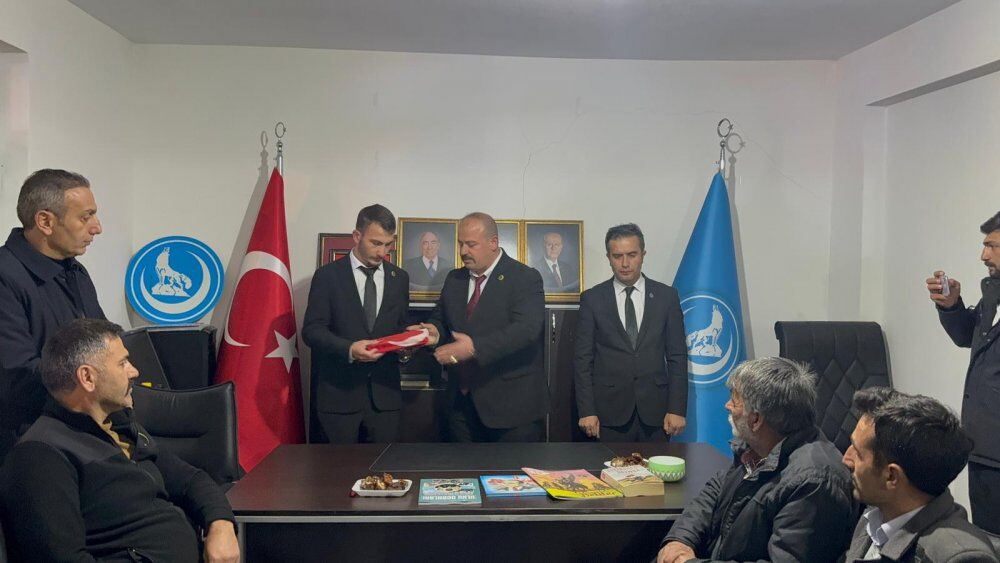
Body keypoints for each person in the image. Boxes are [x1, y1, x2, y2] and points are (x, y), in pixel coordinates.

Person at [0, 319, 239, 563]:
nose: (134, 371)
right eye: (123, 363)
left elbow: (191, 480)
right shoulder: (40, 456)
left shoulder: (121, 427)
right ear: (87, 377)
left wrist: (221, 525)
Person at [657, 357, 856, 563]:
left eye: (735, 401)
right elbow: (716, 490)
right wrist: (680, 540)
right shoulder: (758, 446)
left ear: (756, 419)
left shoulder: (814, 482)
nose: (727, 406)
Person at [0, 169, 106, 462]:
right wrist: (95, 387)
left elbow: (102, 346)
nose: (97, 228)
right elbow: (16, 374)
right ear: (45, 222)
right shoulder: (5, 276)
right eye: (85, 217)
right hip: (29, 448)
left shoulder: (75, 272)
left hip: (82, 432)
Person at [414, 212, 548, 442]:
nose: (463, 251)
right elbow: (441, 320)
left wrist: (474, 348)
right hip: (461, 406)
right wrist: (433, 333)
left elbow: (527, 330)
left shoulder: (524, 277)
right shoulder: (454, 279)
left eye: (471, 244)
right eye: (460, 243)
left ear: (493, 242)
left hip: (512, 409)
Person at [842, 388, 998, 562]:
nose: (846, 459)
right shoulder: (874, 517)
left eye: (857, 452)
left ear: (891, 476)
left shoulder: (958, 557)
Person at [303, 204, 411, 443]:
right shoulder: (328, 276)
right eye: (376, 243)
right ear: (356, 236)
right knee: (338, 467)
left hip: (385, 399)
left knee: (384, 467)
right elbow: (312, 331)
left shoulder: (399, 278)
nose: (382, 252)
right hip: (339, 398)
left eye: (388, 244)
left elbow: (400, 328)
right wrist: (350, 349)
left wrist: (408, 343)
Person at [575, 223, 687, 442]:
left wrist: (677, 408)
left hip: (656, 412)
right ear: (608, 257)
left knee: (655, 467)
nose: (625, 263)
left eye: (632, 255)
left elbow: (677, 356)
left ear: (643, 255)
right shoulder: (592, 299)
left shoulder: (667, 297)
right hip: (608, 414)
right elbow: (582, 359)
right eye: (617, 256)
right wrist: (587, 411)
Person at [926, 210, 1000, 535]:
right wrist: (952, 306)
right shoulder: (993, 296)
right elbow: (968, 337)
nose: (983, 255)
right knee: (988, 538)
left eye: (992, 246)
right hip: (983, 449)